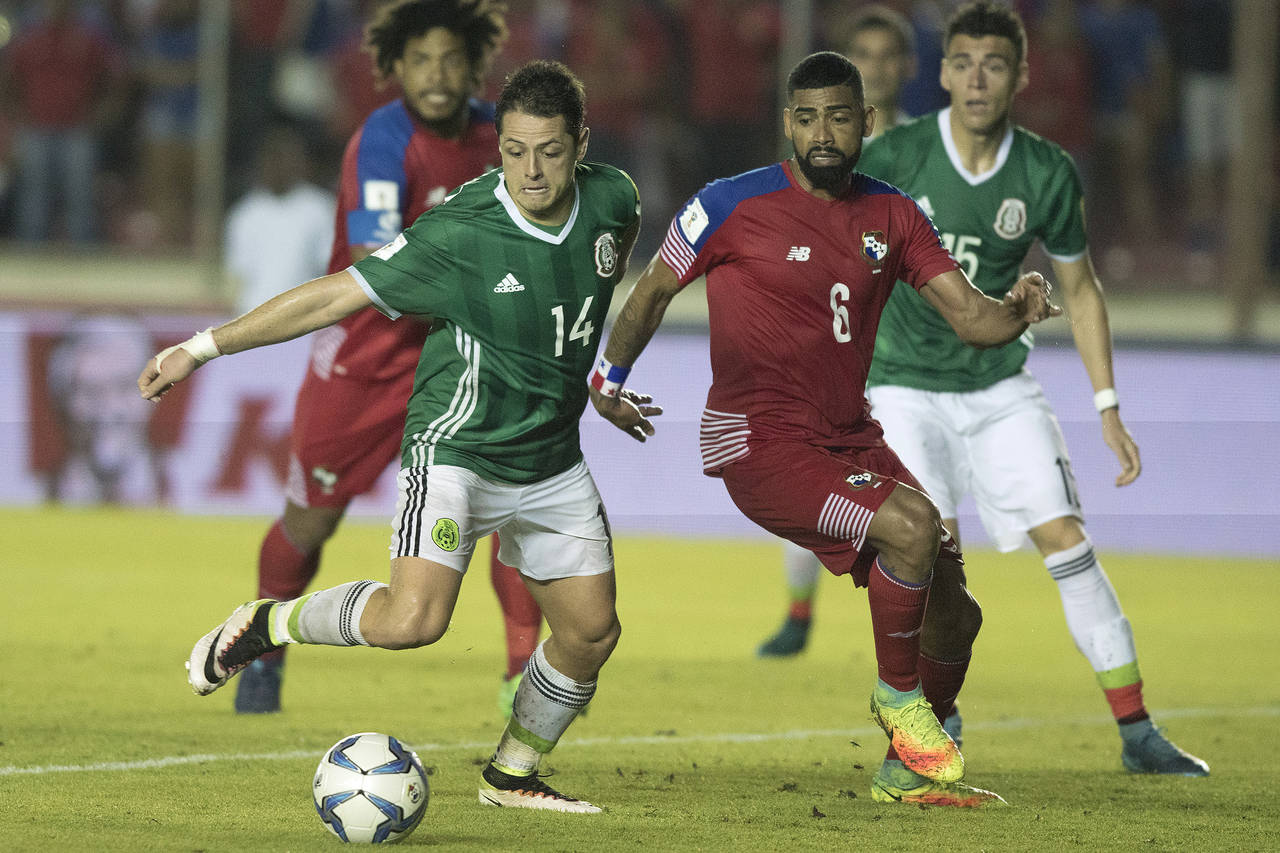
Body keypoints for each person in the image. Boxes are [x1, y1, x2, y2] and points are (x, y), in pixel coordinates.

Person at [140, 59, 642, 813]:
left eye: (549, 151)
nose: (531, 171)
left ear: (582, 145)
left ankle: (511, 774)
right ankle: (268, 621)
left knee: (592, 632)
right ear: (499, 146)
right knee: (413, 622)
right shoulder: (461, 230)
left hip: (550, 461)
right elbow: (333, 297)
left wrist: (601, 381)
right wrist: (201, 346)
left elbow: (594, 287)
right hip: (458, 451)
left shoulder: (614, 198)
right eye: (513, 150)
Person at [590, 50, 1058, 807]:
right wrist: (607, 382)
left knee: (956, 614)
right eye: (807, 118)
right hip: (757, 442)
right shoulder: (726, 204)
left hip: (849, 438)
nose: (823, 133)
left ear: (865, 122)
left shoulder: (894, 215)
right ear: (788, 124)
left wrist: (1019, 306)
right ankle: (897, 698)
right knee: (912, 526)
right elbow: (651, 291)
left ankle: (906, 771)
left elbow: (974, 318)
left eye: (839, 117)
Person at [853, 1, 1208, 777]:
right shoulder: (899, 155)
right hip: (903, 388)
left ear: (1020, 76)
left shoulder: (1046, 171)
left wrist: (1108, 408)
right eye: (963, 64)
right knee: (932, 557)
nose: (978, 79)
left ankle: (1137, 729)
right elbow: (840, 249)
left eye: (994, 65)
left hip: (998, 385)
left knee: (1068, 539)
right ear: (944, 74)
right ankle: (933, 723)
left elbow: (1081, 290)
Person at [227, 0, 544, 719]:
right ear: (396, 67)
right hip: (367, 362)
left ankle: (523, 673)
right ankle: (263, 654)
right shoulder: (382, 139)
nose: (437, 75)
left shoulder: (501, 136)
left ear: (475, 67)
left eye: (452, 59)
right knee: (310, 524)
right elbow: (378, 261)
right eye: (421, 60)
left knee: (509, 512)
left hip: (460, 359)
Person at [757, 1, 920, 659]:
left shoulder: (928, 149)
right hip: (826, 351)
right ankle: (799, 614)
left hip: (905, 356)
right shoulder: (818, 149)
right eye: (864, 56)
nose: (875, 68)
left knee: (916, 501)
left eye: (887, 56)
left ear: (907, 67)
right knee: (810, 486)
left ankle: (921, 640)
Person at [224, 123, 335, 316]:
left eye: (284, 157)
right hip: (252, 315)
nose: (277, 165)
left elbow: (331, 270)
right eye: (272, 158)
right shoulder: (244, 213)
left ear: (300, 161)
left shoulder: (320, 208)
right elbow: (237, 277)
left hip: (305, 318)